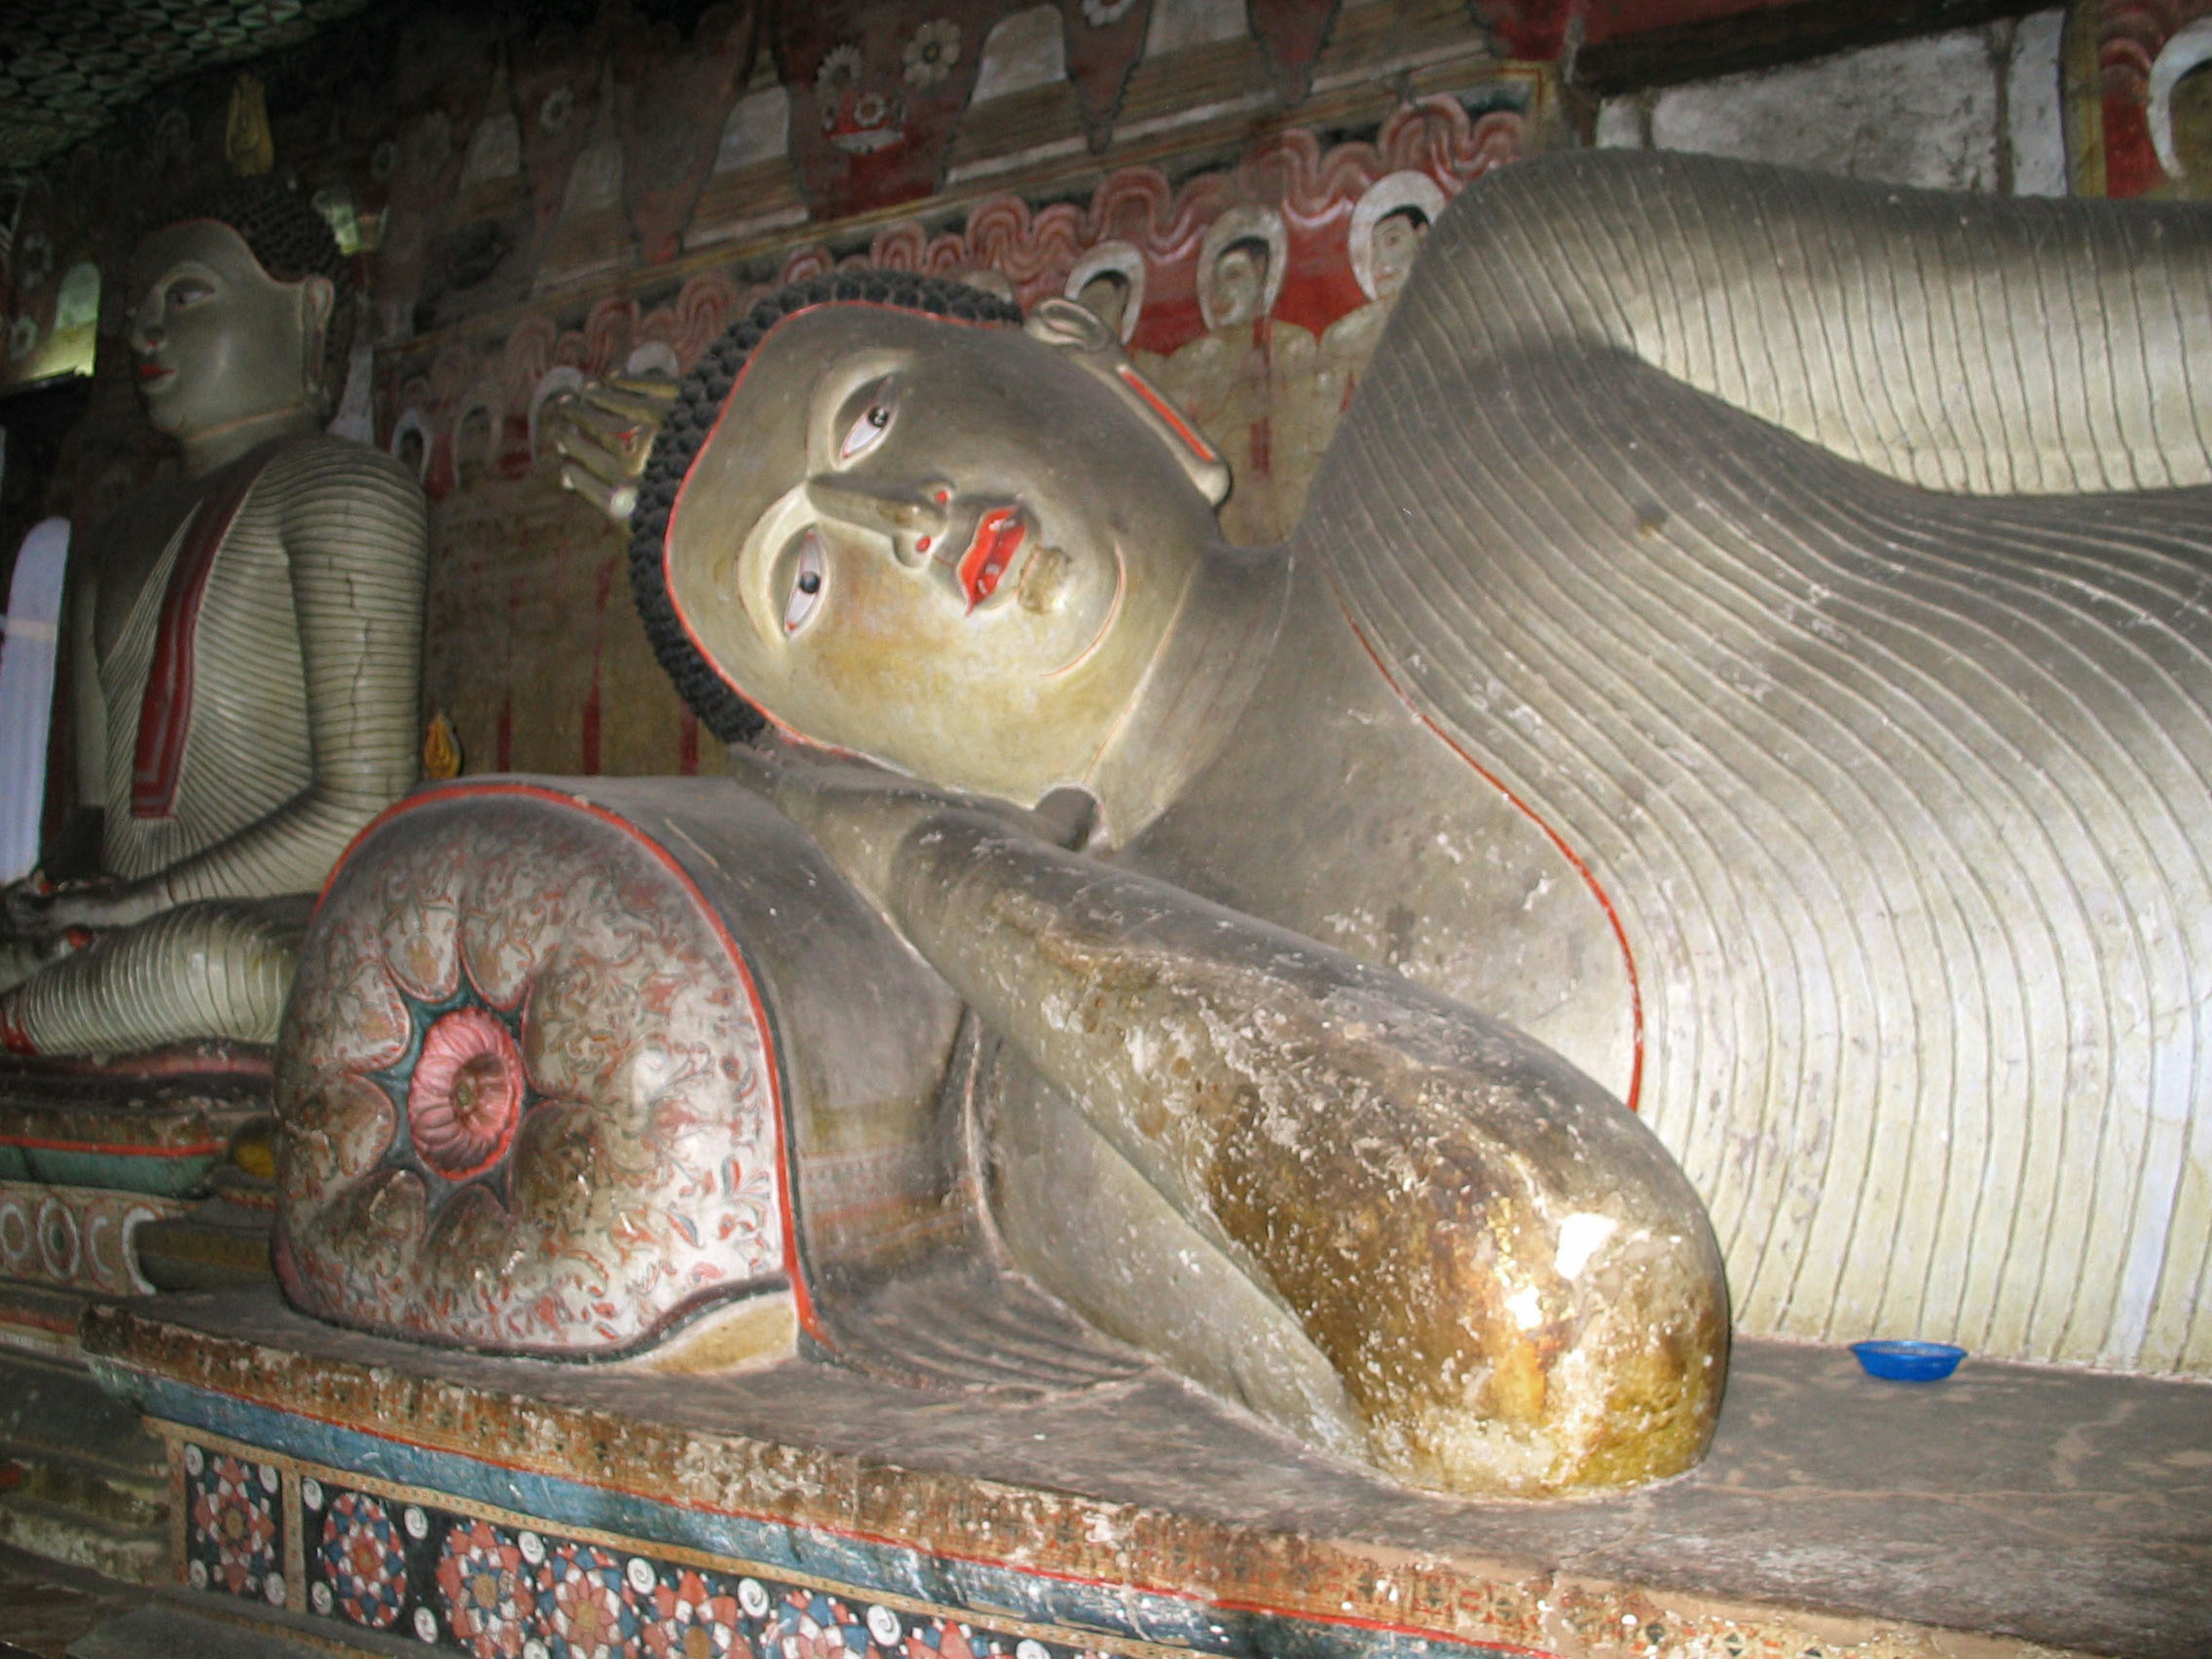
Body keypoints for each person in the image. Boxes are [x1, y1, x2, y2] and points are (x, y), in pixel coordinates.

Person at [0, 181, 427, 1056]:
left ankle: (32, 1019)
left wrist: (138, 906)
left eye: (186, 297)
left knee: (204, 962)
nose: (147, 334)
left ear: (309, 313)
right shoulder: (110, 540)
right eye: (136, 310)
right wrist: (58, 889)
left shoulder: (345, 492)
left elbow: (365, 808)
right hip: (120, 937)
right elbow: (97, 808)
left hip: (260, 936)